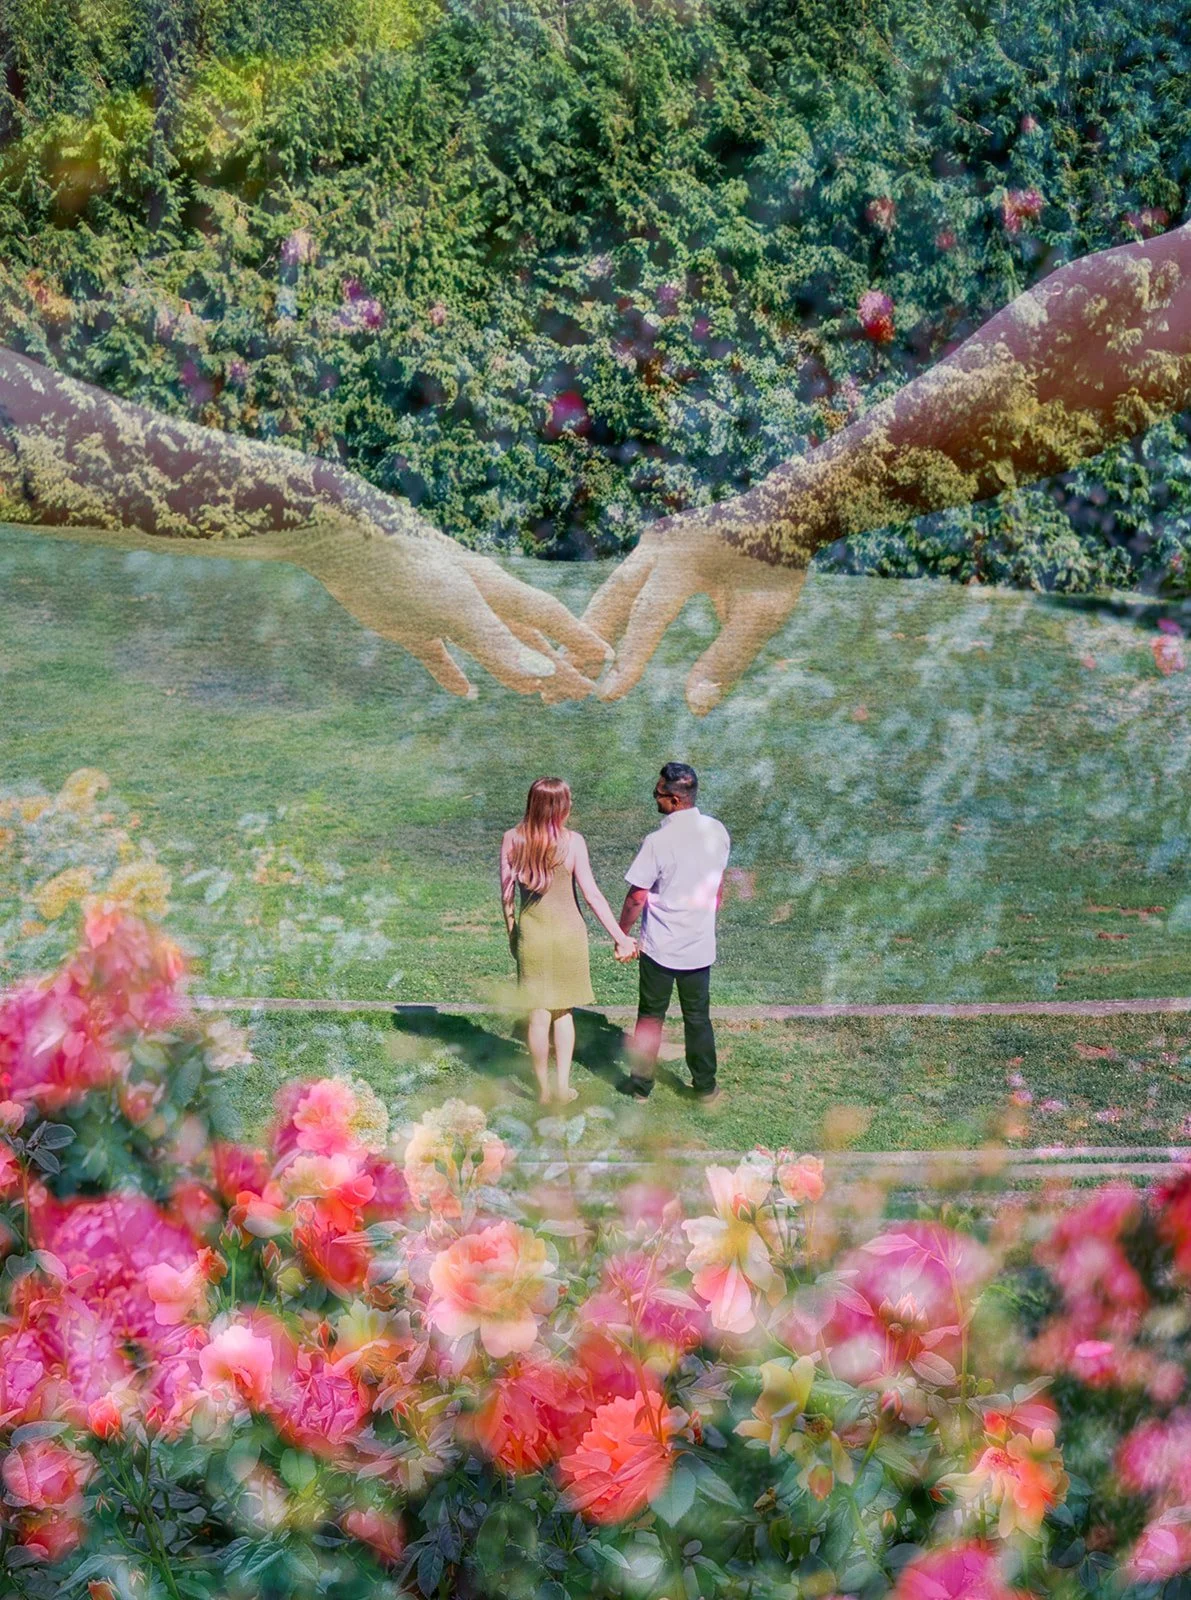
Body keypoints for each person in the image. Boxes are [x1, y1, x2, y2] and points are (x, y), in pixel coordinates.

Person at [500, 778, 637, 1104]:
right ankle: (562, 1088)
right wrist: (621, 938)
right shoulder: (573, 842)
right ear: (560, 807)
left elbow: (506, 896)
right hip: (568, 935)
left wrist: (512, 933)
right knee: (563, 1013)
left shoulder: (512, 839)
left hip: (532, 934)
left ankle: (543, 1092)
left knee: (537, 1015)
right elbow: (592, 895)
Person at [616, 763, 731, 1105]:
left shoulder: (658, 841)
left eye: (659, 794)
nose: (655, 798)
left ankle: (641, 1087)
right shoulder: (717, 831)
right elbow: (718, 882)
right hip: (698, 945)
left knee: (651, 1017)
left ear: (675, 800)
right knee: (698, 1018)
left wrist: (622, 934)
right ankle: (705, 1087)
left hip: (661, 947)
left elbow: (637, 896)